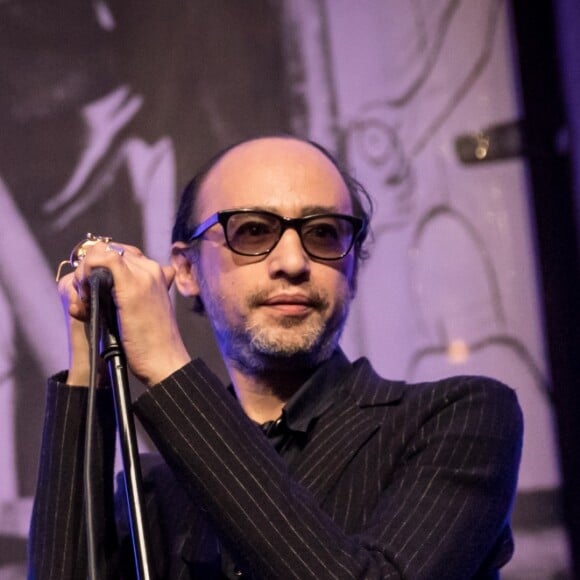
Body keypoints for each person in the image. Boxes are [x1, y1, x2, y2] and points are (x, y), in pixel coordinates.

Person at [28, 135, 523, 579]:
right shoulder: (157, 490)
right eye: (253, 231)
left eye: (325, 232)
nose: (293, 263)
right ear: (186, 270)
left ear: (351, 270)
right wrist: (87, 361)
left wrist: (167, 364)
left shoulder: (461, 417)